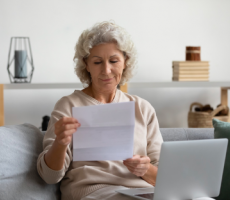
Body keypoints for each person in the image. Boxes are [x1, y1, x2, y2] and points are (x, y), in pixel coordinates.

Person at [37, 21, 163, 200]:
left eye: (114, 61)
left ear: (125, 62)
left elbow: (164, 177)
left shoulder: (143, 108)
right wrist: (60, 142)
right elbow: (50, 177)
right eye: (97, 62)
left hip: (141, 193)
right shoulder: (68, 105)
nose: (106, 70)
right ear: (86, 64)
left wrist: (146, 169)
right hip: (92, 192)